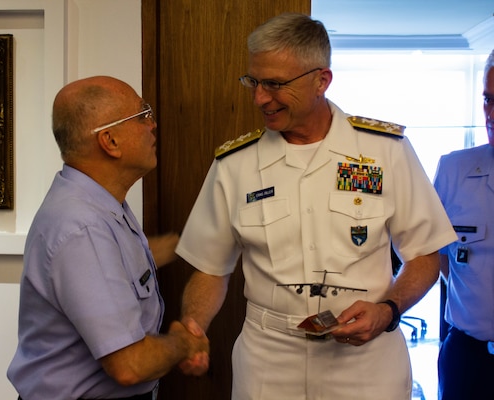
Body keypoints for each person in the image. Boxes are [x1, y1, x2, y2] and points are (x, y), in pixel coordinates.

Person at [175, 12, 457, 399]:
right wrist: (193, 330)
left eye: (274, 84)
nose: (259, 97)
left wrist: (389, 310)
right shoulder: (235, 164)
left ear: (321, 80)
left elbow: (425, 254)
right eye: (253, 81)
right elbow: (210, 267)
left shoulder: (384, 152)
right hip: (267, 359)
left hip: (366, 361)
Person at [7, 76, 209, 400]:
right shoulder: (83, 227)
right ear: (110, 141)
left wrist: (186, 246)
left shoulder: (96, 203)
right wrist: (184, 343)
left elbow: (117, 266)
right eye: (142, 115)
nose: (153, 124)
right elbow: (130, 365)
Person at [434, 49, 494, 400]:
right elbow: (437, 255)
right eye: (488, 100)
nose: (491, 114)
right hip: (468, 356)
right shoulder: (454, 169)